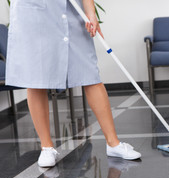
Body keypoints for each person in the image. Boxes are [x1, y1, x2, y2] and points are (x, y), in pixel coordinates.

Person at [5, 0, 141, 167]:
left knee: (90, 74)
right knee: (36, 78)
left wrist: (90, 11)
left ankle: (113, 144)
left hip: (71, 10)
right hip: (35, 11)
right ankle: (46, 147)